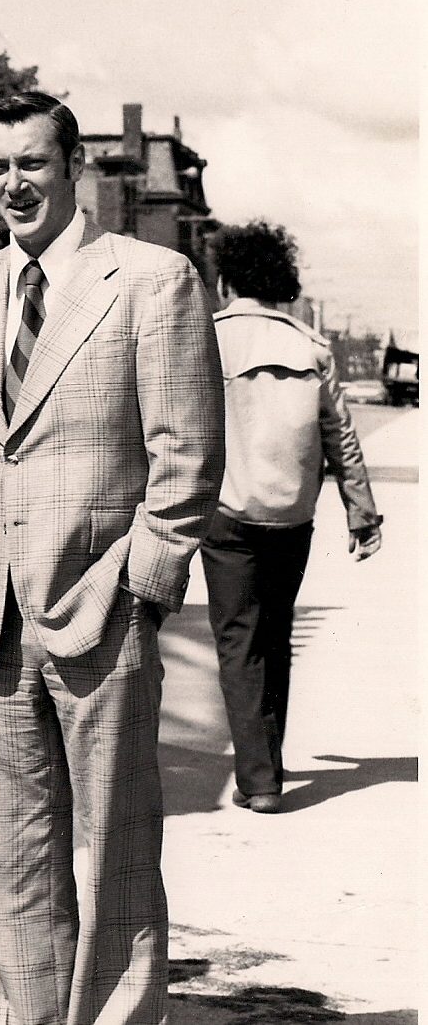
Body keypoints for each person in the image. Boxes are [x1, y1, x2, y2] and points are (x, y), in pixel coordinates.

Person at [0, 91, 223, 1025]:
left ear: (72, 170)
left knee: (116, 856)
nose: (13, 184)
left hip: (101, 612)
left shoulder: (152, 279)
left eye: (31, 163)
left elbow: (185, 453)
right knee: (10, 867)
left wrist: (140, 587)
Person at [204, 220, 382, 815]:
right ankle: (267, 764)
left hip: (227, 514)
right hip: (293, 516)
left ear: (226, 281)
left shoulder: (207, 338)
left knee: (239, 640)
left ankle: (260, 780)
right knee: (276, 634)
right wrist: (361, 511)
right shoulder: (312, 347)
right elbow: (341, 436)